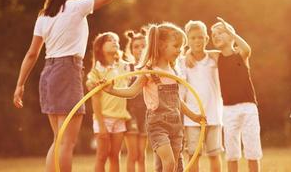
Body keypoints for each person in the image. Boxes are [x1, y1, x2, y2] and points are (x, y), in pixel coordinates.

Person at [12, 0, 155, 171]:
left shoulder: (44, 15)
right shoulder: (76, 6)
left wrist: (20, 84)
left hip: (49, 72)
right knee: (67, 142)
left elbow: (31, 54)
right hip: (67, 71)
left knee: (58, 138)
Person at [102, 23, 205, 172]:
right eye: (176, 46)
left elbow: (177, 100)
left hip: (176, 126)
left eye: (181, 47)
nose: (179, 50)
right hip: (157, 125)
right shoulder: (150, 70)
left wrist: (194, 116)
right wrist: (111, 90)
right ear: (162, 46)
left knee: (174, 166)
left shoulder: (173, 70)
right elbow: (132, 91)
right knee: (169, 163)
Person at [210, 17, 263, 172]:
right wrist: (191, 55)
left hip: (248, 108)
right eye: (214, 35)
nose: (216, 36)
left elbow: (247, 48)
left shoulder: (241, 55)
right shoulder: (216, 56)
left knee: (252, 149)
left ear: (231, 35)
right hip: (228, 110)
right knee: (231, 152)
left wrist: (232, 33)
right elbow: (199, 53)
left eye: (221, 32)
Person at [181, 20, 223, 172]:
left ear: (206, 39)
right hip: (192, 117)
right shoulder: (182, 62)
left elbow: (228, 52)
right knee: (193, 155)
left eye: (200, 37)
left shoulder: (214, 59)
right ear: (187, 40)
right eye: (192, 38)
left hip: (213, 115)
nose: (197, 41)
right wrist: (186, 54)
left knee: (214, 154)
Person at [86, 32, 131, 172]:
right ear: (100, 47)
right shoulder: (98, 69)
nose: (114, 42)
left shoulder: (123, 66)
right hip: (104, 119)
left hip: (120, 117)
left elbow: (135, 63)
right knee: (101, 156)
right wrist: (101, 125)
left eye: (116, 40)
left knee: (115, 156)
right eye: (110, 40)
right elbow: (93, 94)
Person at [124, 29, 148, 172]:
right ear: (131, 50)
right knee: (132, 154)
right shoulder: (127, 68)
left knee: (142, 155)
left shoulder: (150, 68)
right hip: (130, 113)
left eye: (143, 46)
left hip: (145, 112)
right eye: (136, 46)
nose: (140, 49)